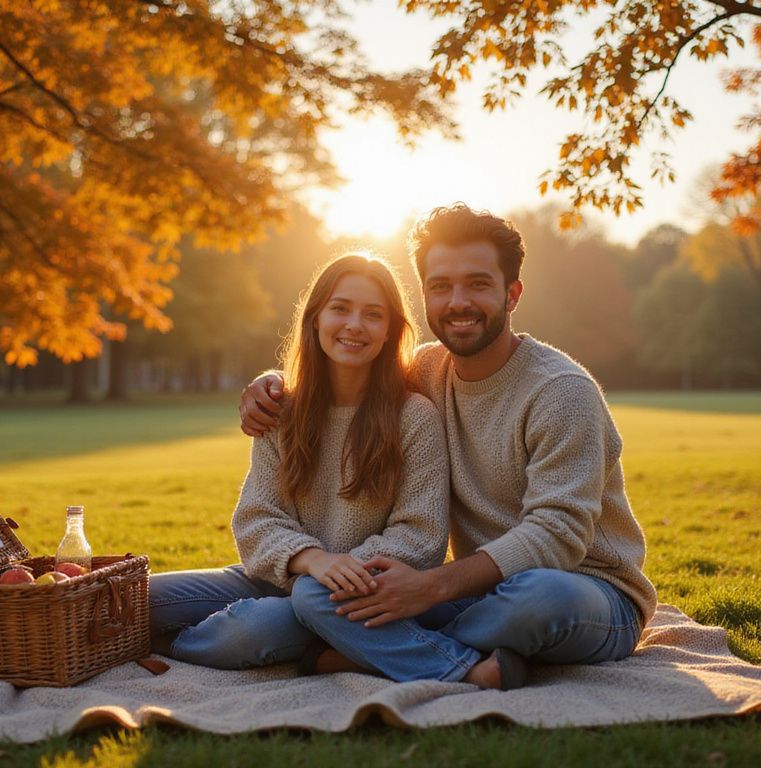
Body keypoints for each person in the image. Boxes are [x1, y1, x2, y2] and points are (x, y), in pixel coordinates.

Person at [241, 204, 657, 690]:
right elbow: (346, 374)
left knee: (537, 596)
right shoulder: (426, 370)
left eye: (478, 283)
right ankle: (419, 654)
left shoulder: (561, 391)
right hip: (476, 592)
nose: (458, 302)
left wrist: (432, 587)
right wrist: (270, 385)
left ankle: (361, 655)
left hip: (586, 591)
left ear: (513, 293)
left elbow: (559, 534)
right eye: (440, 286)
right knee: (316, 596)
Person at [147, 253, 451, 672]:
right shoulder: (281, 410)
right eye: (340, 308)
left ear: (390, 332)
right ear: (315, 318)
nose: (354, 325)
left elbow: (421, 534)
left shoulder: (413, 416)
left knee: (254, 630)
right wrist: (311, 561)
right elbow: (258, 518)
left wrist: (337, 575)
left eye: (373, 315)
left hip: (354, 593)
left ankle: (170, 646)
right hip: (274, 576)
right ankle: (321, 648)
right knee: (135, 597)